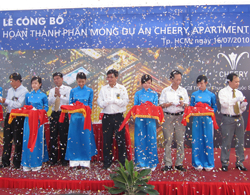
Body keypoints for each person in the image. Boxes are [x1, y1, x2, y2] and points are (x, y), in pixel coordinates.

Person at [97, 69, 129, 169]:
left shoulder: (121, 88)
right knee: (107, 140)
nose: (109, 79)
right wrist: (106, 102)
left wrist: (114, 101)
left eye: (111, 77)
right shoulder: (103, 89)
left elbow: (125, 101)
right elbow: (99, 102)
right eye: (108, 77)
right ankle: (107, 162)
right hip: (107, 117)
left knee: (120, 140)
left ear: (116, 77)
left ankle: (123, 163)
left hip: (118, 116)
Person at [159, 70, 189, 171]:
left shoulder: (183, 90)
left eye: (180, 79)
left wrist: (183, 104)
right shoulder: (165, 91)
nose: (178, 81)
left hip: (180, 117)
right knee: (168, 140)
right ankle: (168, 163)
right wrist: (166, 104)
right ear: (171, 79)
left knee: (180, 140)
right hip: (168, 116)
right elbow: (161, 104)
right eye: (176, 79)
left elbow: (187, 104)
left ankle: (179, 163)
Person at [65, 72, 97, 169]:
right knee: (74, 137)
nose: (81, 83)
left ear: (86, 80)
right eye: (79, 82)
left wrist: (85, 109)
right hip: (74, 117)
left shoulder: (90, 90)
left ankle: (85, 161)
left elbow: (90, 105)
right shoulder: (73, 91)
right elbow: (70, 104)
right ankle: (74, 160)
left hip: (85, 117)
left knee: (85, 138)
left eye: (83, 82)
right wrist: (74, 108)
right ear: (76, 81)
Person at [218, 73, 248, 172]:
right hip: (228, 119)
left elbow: (241, 109)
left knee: (240, 141)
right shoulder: (223, 92)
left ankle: (240, 162)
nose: (237, 84)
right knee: (226, 141)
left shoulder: (239, 92)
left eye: (239, 82)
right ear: (229, 81)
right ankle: (225, 162)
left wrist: (243, 105)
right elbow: (224, 104)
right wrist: (235, 100)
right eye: (236, 82)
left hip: (239, 117)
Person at [0, 73, 28, 169]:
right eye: (10, 81)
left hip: (18, 116)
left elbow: (19, 104)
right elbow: (9, 102)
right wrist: (3, 102)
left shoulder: (24, 91)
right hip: (9, 115)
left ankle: (17, 162)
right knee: (7, 139)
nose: (11, 83)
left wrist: (6, 101)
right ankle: (5, 161)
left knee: (17, 139)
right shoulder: (10, 90)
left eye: (12, 81)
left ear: (18, 81)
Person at [22, 76, 49, 171]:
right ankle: (26, 163)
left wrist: (39, 112)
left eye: (36, 83)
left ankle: (36, 162)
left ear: (40, 84)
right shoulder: (28, 95)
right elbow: (26, 106)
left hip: (38, 120)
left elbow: (46, 107)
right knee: (27, 139)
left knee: (37, 140)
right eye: (33, 83)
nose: (34, 85)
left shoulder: (43, 95)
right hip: (28, 120)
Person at [190, 75, 217, 171]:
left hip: (207, 119)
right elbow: (191, 107)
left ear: (206, 83)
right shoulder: (194, 94)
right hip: (197, 119)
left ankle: (208, 163)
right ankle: (197, 163)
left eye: (202, 83)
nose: (200, 85)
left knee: (207, 139)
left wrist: (207, 110)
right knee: (197, 139)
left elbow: (215, 107)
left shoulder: (211, 95)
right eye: (198, 83)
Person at [134, 74, 159, 170]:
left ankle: (151, 163)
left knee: (151, 139)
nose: (147, 85)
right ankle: (140, 163)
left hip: (150, 119)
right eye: (145, 83)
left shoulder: (154, 94)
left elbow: (156, 107)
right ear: (141, 83)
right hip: (139, 120)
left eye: (149, 83)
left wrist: (149, 108)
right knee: (139, 140)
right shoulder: (138, 94)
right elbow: (135, 107)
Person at [48, 72, 72, 166]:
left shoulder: (68, 89)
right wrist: (54, 96)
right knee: (53, 136)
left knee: (63, 136)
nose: (56, 80)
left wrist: (60, 95)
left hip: (64, 113)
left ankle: (64, 159)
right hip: (54, 113)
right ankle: (53, 159)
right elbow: (50, 103)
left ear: (62, 79)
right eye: (54, 79)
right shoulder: (51, 90)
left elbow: (69, 101)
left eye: (58, 78)